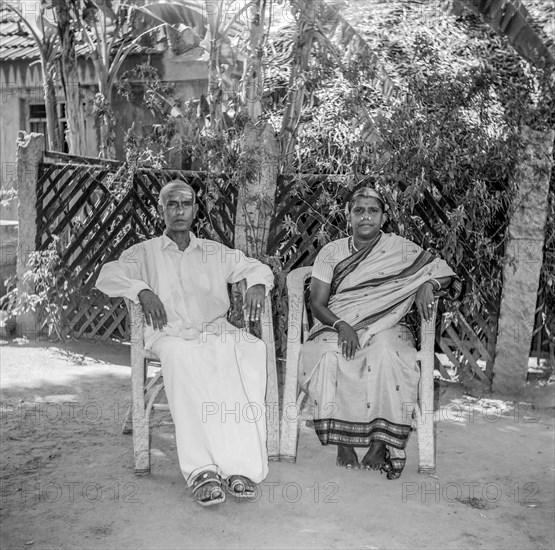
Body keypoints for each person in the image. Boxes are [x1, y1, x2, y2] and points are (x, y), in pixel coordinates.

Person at [96, 180, 274, 506]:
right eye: (172, 204)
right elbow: (107, 275)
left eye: (186, 204)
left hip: (213, 331)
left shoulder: (214, 251)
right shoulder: (143, 253)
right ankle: (201, 470)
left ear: (195, 210)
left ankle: (240, 466)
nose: (179, 211)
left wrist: (258, 284)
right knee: (180, 358)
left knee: (252, 349)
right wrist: (141, 290)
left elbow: (256, 267)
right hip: (170, 335)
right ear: (160, 209)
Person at [299, 187, 460, 479]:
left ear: (383, 217)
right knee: (327, 356)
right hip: (336, 322)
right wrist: (341, 325)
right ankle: (344, 442)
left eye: (373, 211)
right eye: (358, 210)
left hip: (387, 324)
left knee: (387, 354)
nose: (366, 216)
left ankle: (378, 442)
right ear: (348, 217)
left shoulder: (399, 248)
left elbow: (444, 271)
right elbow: (317, 303)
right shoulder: (331, 252)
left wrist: (429, 285)